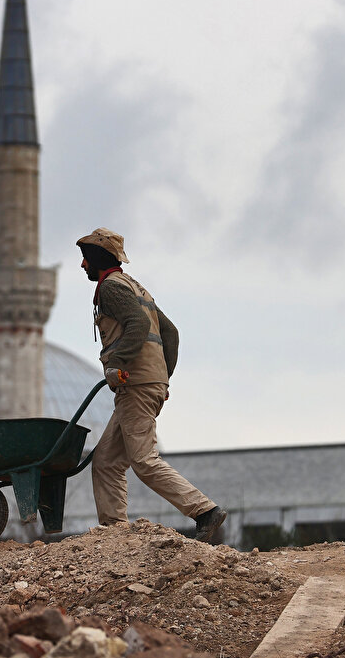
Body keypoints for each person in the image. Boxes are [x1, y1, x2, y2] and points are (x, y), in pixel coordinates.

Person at [76, 227, 227, 542]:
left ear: (96, 259)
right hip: (147, 382)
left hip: (135, 385)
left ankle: (204, 510)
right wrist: (163, 376)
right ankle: (114, 534)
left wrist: (117, 364)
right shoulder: (135, 287)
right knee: (106, 461)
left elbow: (139, 324)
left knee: (143, 460)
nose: (82, 266)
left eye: (85, 259)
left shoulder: (111, 289)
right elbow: (169, 332)